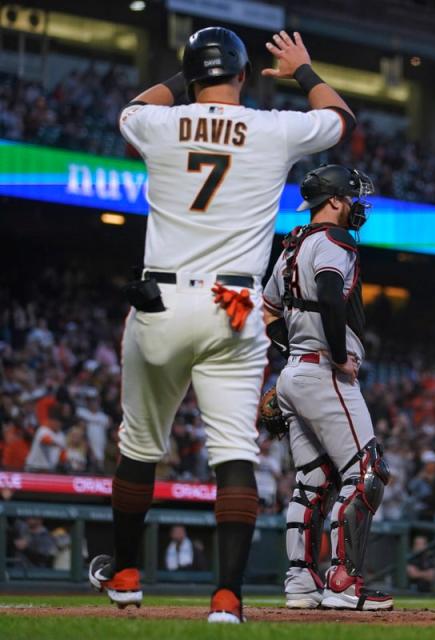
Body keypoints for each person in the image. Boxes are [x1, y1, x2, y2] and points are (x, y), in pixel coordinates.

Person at [87, 26, 355, 624]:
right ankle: (227, 599)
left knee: (139, 444)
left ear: (191, 73)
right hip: (233, 302)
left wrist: (189, 78)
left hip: (161, 297)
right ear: (242, 75)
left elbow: (134, 108)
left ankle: (126, 575)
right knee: (233, 450)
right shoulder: (272, 127)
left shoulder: (159, 123)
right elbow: (340, 119)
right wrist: (303, 70)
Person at [261, 164, 393, 611]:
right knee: (367, 472)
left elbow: (268, 314)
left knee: (312, 482)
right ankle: (342, 583)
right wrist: (335, 353)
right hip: (324, 373)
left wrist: (296, 352)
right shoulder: (336, 241)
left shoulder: (291, 247)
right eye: (353, 197)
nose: (358, 205)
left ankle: (300, 582)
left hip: (294, 371)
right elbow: (332, 295)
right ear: (335, 200)